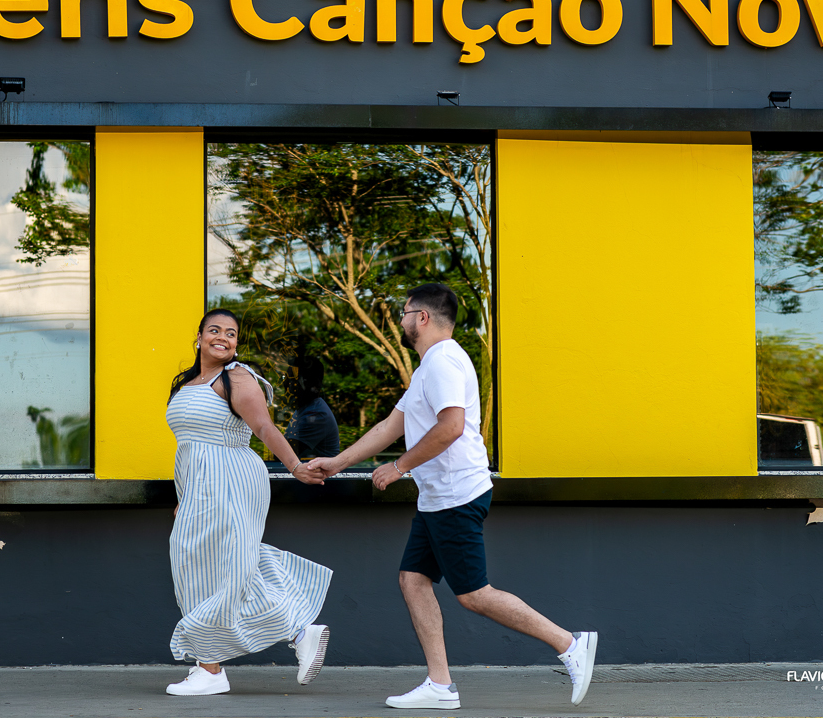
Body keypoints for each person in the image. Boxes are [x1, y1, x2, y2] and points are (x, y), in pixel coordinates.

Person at [309, 283, 598, 709]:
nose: (401, 318)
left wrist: (399, 467)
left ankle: (569, 644)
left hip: (456, 495)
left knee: (474, 594)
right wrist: (338, 462)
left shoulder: (443, 361)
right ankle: (440, 686)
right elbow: (390, 426)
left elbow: (451, 427)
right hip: (437, 498)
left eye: (405, 311)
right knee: (413, 579)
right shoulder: (430, 367)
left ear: (421, 317)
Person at [164, 308, 332, 696]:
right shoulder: (188, 382)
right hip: (200, 485)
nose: (224, 337)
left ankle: (212, 669)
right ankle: (292, 632)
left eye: (232, 333)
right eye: (215, 330)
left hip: (231, 477)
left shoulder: (236, 377)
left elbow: (263, 426)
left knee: (227, 562)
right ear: (200, 337)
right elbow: (187, 448)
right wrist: (184, 495)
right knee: (204, 564)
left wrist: (295, 466)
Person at [284, 355, 341, 459]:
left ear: (309, 384)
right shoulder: (305, 409)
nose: (286, 385)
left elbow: (283, 455)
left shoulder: (316, 414)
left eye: (292, 380)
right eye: (286, 379)